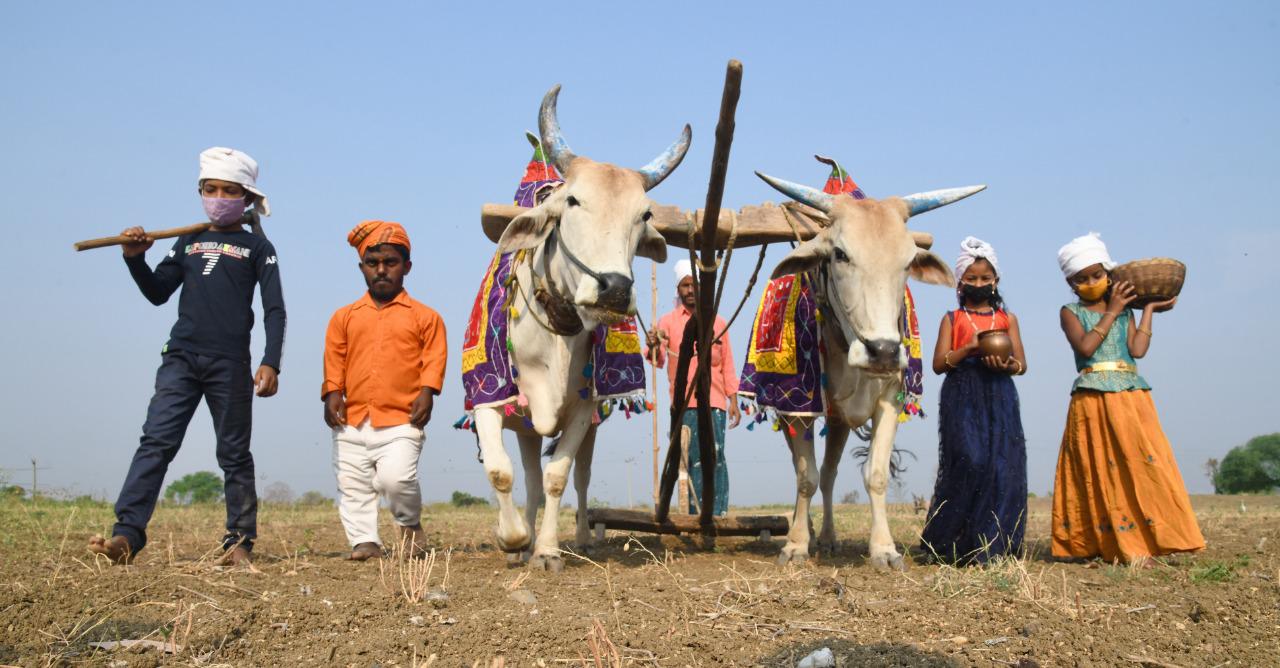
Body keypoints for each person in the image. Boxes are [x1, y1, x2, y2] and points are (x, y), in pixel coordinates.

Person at [88, 147, 284, 566]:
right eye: (209, 188)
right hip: (180, 357)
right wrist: (134, 259)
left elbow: (274, 309)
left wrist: (270, 360)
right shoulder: (188, 240)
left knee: (233, 452)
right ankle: (127, 534)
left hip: (230, 363)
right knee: (156, 440)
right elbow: (158, 292)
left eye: (228, 190)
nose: (217, 196)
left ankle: (239, 542)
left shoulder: (258, 248)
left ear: (246, 198)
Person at [1051, 233, 1204, 564]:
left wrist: (1146, 309)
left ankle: (1152, 538)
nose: (1091, 282)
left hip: (1131, 395)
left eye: (1096, 275)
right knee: (1098, 469)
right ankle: (1112, 544)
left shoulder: (1125, 313)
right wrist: (1114, 310)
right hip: (1091, 396)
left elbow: (1137, 350)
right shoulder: (1070, 312)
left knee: (1142, 463)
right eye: (1082, 279)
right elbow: (1086, 347)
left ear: (1109, 274)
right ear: (1072, 284)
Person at [323, 221, 447, 560]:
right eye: (372, 263)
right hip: (352, 417)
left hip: (402, 417)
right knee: (353, 485)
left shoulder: (426, 317)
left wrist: (428, 391)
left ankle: (409, 524)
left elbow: (434, 357)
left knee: (396, 480)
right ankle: (365, 541)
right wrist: (332, 392)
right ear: (361, 267)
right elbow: (335, 357)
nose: (381, 270)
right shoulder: (343, 317)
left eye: (390, 263)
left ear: (406, 267)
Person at [919, 237, 1028, 564]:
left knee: (1001, 467)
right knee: (970, 460)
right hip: (962, 394)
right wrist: (969, 350)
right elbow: (939, 364)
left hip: (1000, 395)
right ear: (960, 281)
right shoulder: (952, 319)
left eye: (985, 278)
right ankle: (949, 543)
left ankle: (991, 546)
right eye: (972, 278)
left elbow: (1022, 364)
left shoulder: (1008, 320)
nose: (979, 283)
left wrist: (1008, 364)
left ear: (996, 281)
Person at [644, 259, 740, 515]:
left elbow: (727, 363)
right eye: (684, 285)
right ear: (678, 289)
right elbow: (657, 358)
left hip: (716, 401)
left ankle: (717, 514)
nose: (689, 290)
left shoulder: (719, 323)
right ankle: (692, 515)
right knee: (687, 459)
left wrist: (734, 400)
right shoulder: (667, 322)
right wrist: (653, 342)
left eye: (693, 285)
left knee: (715, 457)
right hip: (683, 403)